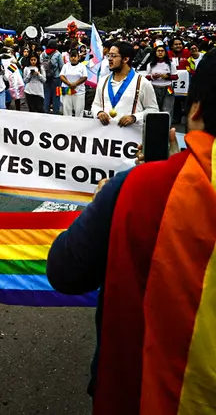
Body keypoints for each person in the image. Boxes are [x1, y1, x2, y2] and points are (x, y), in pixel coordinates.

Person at [46, 53, 216, 412]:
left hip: (144, 390)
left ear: (195, 110)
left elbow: (65, 271)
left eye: (113, 55)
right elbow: (94, 107)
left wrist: (107, 202)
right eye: (105, 55)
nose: (109, 59)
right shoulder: (143, 183)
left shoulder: (139, 191)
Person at [91, 42, 159, 127]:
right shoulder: (103, 81)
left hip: (131, 136)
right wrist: (99, 112)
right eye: (109, 55)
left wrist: (135, 117)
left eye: (113, 56)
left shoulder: (142, 83)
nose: (109, 59)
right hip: (106, 135)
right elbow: (95, 105)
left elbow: (153, 110)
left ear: (125, 59)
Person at [59, 45, 89, 117]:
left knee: (79, 111)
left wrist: (75, 84)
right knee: (66, 110)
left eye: (75, 56)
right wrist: (69, 84)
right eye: (71, 56)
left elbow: (84, 77)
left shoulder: (82, 66)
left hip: (79, 92)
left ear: (78, 57)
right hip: (67, 90)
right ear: (69, 57)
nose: (73, 58)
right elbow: (61, 76)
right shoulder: (66, 66)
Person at [145, 43, 175, 114]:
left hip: (168, 88)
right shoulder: (150, 64)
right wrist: (153, 76)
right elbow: (147, 77)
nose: (160, 52)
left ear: (165, 52)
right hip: (154, 87)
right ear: (155, 53)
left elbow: (175, 76)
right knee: (155, 108)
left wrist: (167, 77)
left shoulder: (170, 64)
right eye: (158, 51)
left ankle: (167, 124)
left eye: (162, 51)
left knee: (167, 108)